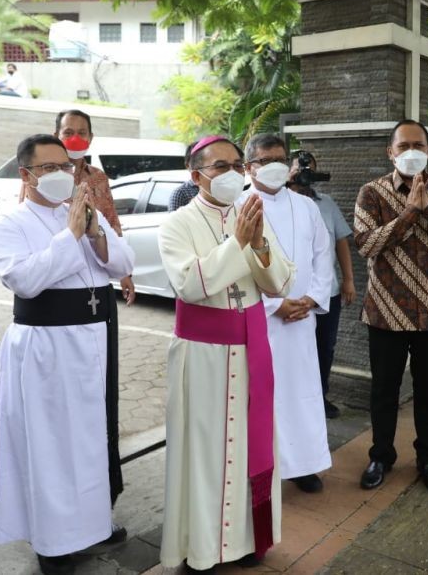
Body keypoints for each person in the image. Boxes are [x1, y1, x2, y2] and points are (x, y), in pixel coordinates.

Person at [0, 134, 134, 575]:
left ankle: (91, 524)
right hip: (46, 345)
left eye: (64, 167)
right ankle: (53, 540)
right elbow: (27, 281)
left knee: (91, 438)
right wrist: (70, 236)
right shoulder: (9, 223)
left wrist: (94, 234)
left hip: (91, 338)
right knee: (51, 444)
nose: (59, 175)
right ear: (26, 174)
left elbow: (122, 263)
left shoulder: (87, 214)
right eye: (47, 168)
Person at [158, 135, 294, 573]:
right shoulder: (176, 223)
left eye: (238, 165)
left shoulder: (251, 213)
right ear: (195, 174)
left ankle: (247, 541)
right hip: (203, 357)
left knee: (250, 445)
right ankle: (201, 549)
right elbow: (192, 286)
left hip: (250, 349)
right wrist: (238, 243)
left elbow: (279, 283)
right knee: (204, 452)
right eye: (220, 167)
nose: (233, 174)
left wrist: (257, 244)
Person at [354, 119, 428, 494]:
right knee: (384, 391)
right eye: (403, 146)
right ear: (390, 152)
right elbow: (366, 245)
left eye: (418, 145)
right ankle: (381, 456)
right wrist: (408, 212)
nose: (411, 152)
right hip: (387, 311)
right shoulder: (371, 194)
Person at [53, 108, 134, 510]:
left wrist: (125, 273)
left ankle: (106, 491)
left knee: (103, 396)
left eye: (82, 132)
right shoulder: (46, 177)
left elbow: (113, 223)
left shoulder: (97, 177)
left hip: (97, 293)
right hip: (59, 299)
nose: (75, 137)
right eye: (68, 131)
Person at [243, 134, 332, 493]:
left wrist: (311, 298)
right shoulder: (238, 206)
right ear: (249, 167)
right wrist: (274, 305)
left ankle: (304, 464)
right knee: (265, 396)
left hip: (301, 320)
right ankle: (266, 467)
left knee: (303, 392)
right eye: (265, 160)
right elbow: (236, 266)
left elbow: (322, 255)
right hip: (262, 321)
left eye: (280, 158)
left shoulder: (306, 205)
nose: (275, 165)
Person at [288, 151, 356, 419]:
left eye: (310, 170)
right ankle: (293, 399)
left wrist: (348, 280)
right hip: (292, 294)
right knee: (292, 347)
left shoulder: (326, 203)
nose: (306, 175)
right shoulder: (280, 201)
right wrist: (288, 185)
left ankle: (320, 396)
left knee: (324, 347)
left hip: (327, 293)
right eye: (299, 169)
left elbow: (341, 241)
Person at [168, 141, 200, 211]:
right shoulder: (180, 194)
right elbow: (175, 221)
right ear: (188, 165)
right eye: (198, 162)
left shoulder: (218, 189)